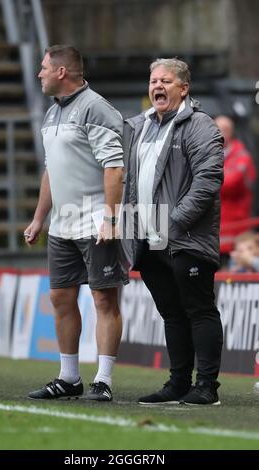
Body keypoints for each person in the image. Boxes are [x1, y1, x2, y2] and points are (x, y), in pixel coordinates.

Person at [25, 45, 128, 402]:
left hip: (96, 220)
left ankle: (103, 380)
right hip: (62, 225)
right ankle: (69, 377)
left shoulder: (95, 108)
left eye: (43, 68)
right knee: (60, 298)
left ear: (61, 72)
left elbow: (114, 166)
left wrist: (111, 218)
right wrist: (40, 218)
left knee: (103, 300)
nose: (39, 74)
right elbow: (52, 170)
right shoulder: (52, 114)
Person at [121, 58, 224, 405]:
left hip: (187, 237)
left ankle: (207, 386)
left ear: (184, 88)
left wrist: (175, 221)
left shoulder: (200, 126)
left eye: (165, 80)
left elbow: (208, 180)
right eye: (153, 81)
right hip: (150, 239)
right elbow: (131, 182)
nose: (157, 86)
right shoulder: (140, 126)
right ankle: (179, 382)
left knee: (199, 309)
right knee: (171, 312)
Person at [214, 115, 257, 259]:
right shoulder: (206, 154)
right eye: (216, 129)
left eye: (224, 129)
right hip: (212, 231)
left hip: (234, 233)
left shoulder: (242, 156)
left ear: (231, 132)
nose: (220, 133)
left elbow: (228, 184)